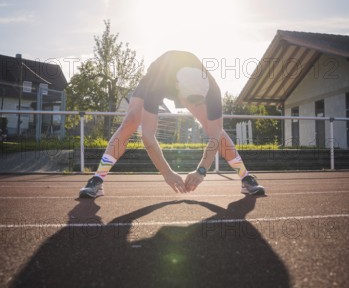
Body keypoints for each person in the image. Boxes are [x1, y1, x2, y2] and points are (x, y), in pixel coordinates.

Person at [79, 50, 265, 198]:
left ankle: (245, 177)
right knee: (130, 121)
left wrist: (201, 170)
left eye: (198, 101)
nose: (193, 104)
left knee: (214, 127)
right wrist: (167, 172)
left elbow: (215, 134)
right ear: (177, 88)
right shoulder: (157, 84)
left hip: (186, 81)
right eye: (190, 100)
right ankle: (97, 179)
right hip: (157, 74)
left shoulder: (212, 89)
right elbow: (148, 135)